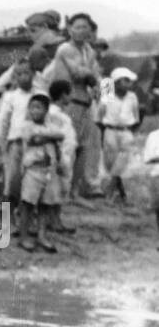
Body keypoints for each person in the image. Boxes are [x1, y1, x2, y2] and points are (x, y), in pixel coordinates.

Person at [48, 12, 104, 199]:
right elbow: (81, 74)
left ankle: (75, 191)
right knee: (69, 147)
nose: (81, 31)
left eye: (85, 27)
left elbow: (98, 76)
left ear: (90, 30)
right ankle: (63, 192)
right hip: (69, 103)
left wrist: (104, 96)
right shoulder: (65, 49)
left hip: (86, 103)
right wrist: (96, 81)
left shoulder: (89, 50)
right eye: (77, 27)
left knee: (84, 148)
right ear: (70, 29)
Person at [14, 93, 66, 253]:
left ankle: (42, 235)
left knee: (45, 204)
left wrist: (44, 136)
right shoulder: (26, 125)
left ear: (46, 110)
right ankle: (23, 236)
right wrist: (49, 137)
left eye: (39, 108)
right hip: (33, 170)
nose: (35, 111)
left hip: (49, 170)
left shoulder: (48, 126)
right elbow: (32, 139)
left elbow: (61, 135)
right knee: (28, 204)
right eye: (32, 107)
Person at [99, 67, 141, 204]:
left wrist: (130, 131)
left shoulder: (132, 96)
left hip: (125, 131)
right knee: (111, 164)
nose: (129, 84)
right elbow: (100, 114)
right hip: (110, 130)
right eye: (125, 80)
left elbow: (136, 117)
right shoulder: (108, 93)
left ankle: (110, 194)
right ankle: (122, 195)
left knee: (122, 164)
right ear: (116, 82)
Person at [0, 60, 35, 208]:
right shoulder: (11, 97)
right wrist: (4, 142)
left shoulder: (40, 94)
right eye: (19, 74)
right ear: (15, 77)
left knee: (31, 180)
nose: (24, 77)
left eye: (27, 73)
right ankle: (10, 215)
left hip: (35, 143)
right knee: (13, 179)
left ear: (33, 74)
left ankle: (27, 216)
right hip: (16, 142)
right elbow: (4, 121)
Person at [46, 80, 78, 234]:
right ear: (63, 95)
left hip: (66, 155)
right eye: (70, 93)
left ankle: (55, 220)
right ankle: (54, 221)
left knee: (61, 187)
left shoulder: (59, 113)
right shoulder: (53, 114)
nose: (72, 96)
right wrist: (59, 157)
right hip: (59, 156)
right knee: (57, 188)